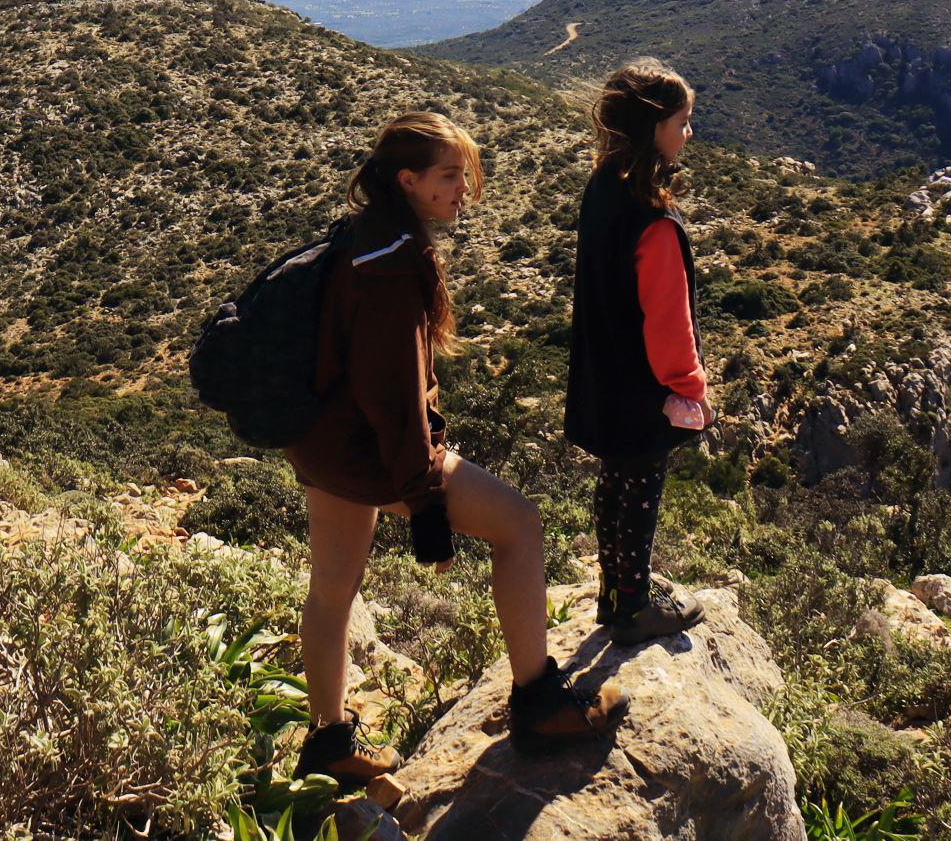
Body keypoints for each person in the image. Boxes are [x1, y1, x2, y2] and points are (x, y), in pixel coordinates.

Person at [287, 111, 625, 784]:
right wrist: (430, 510)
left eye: (465, 172)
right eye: (449, 175)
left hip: (322, 443)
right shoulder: (391, 266)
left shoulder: (365, 237)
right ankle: (539, 702)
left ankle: (329, 741)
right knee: (519, 526)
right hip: (370, 452)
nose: (463, 187)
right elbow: (399, 401)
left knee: (331, 592)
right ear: (408, 180)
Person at [565, 60, 713, 646]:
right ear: (654, 128)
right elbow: (668, 323)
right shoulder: (654, 221)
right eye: (682, 122)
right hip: (643, 388)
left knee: (614, 486)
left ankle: (614, 591)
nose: (687, 133)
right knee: (641, 491)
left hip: (603, 377)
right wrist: (689, 387)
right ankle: (633, 607)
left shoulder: (603, 189)